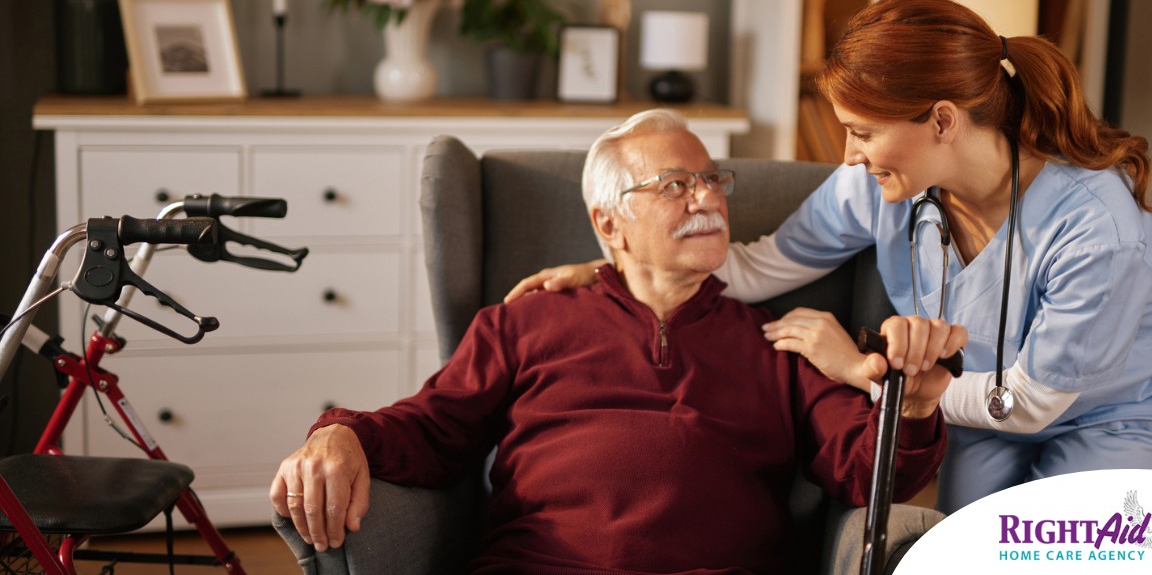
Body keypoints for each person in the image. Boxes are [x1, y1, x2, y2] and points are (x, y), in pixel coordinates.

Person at [504, 0, 1152, 515]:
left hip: (1114, 406)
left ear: (942, 120)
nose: (848, 155)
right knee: (962, 545)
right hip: (975, 399)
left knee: (1055, 552)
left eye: (862, 131)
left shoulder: (1093, 226)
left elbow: (1030, 404)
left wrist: (861, 371)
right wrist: (619, 272)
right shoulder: (876, 186)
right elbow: (756, 265)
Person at [271, 108, 954, 573]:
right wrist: (340, 433)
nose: (707, 200)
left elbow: (868, 471)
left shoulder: (779, 343)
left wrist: (917, 405)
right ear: (611, 222)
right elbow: (432, 427)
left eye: (713, 180)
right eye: (675, 186)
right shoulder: (523, 322)